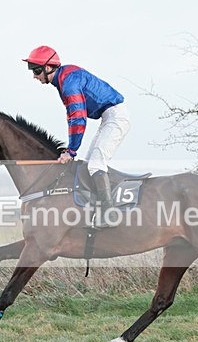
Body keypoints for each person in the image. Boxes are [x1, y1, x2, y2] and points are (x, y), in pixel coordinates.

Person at [23, 45, 130, 227]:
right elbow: (73, 117)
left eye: (36, 70)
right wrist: (70, 148)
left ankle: (110, 214)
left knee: (96, 164)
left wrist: (71, 151)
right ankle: (96, 211)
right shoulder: (64, 78)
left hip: (115, 116)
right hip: (108, 116)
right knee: (89, 166)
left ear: (48, 68)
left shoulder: (69, 82)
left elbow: (78, 118)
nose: (34, 75)